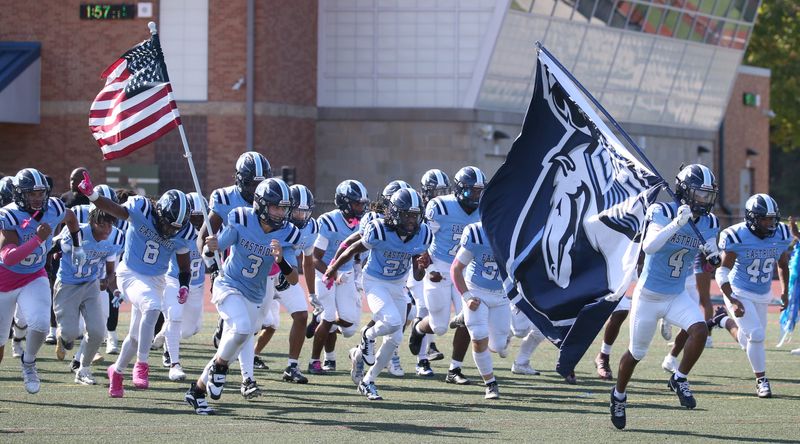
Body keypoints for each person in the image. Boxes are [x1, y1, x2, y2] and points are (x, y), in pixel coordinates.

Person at [610, 164, 720, 430]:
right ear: (683, 190)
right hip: (648, 296)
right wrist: (676, 224)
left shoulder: (710, 221)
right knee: (636, 354)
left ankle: (679, 378)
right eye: (698, 193)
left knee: (700, 330)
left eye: (707, 194)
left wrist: (712, 256)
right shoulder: (662, 210)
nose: (703, 200)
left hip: (676, 294)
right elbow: (649, 246)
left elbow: (711, 257)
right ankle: (619, 395)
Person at [184, 178, 300, 415]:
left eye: (283, 208)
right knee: (242, 329)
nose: (280, 213)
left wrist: (281, 261)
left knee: (233, 344)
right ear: (261, 205)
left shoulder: (288, 233)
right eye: (276, 207)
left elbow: (294, 279)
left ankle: (196, 391)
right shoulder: (241, 218)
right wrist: (212, 245)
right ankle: (220, 369)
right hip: (229, 284)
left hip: (255, 294)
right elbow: (215, 246)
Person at [78, 172, 196, 398]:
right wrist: (92, 195)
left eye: (175, 228)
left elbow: (184, 267)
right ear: (159, 212)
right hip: (130, 273)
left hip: (156, 280)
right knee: (152, 307)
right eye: (167, 224)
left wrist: (184, 285)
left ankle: (117, 370)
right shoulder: (142, 209)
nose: (170, 230)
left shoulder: (184, 231)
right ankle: (142, 365)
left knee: (135, 336)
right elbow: (115, 209)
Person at [328, 188, 431, 400]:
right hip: (375, 281)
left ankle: (368, 381)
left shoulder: (423, 233)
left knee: (396, 338)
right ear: (394, 213)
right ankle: (368, 335)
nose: (411, 220)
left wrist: (422, 266)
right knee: (393, 322)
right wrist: (333, 268)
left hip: (398, 284)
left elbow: (418, 276)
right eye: (407, 215)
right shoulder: (379, 229)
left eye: (414, 215)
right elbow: (352, 248)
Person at [0, 168, 82, 393]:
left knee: (41, 323)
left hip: (33, 275)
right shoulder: (8, 214)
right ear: (19, 194)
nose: (37, 198)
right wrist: (38, 239)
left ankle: (28, 363)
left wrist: (77, 245)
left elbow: (71, 217)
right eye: (31, 193)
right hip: (3, 282)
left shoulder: (54, 207)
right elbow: (8, 257)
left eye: (40, 193)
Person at [409, 166, 487, 385]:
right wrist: (423, 260)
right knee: (440, 325)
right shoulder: (440, 206)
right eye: (472, 190)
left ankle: (455, 369)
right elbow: (424, 235)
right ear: (460, 189)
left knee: (467, 319)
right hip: (440, 266)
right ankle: (418, 328)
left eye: (479, 191)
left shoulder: (484, 208)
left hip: (466, 268)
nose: (476, 195)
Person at [708, 194, 791, 398]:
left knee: (750, 341)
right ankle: (761, 381)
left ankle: (724, 322)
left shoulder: (780, 234)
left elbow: (782, 264)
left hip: (762, 292)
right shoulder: (738, 236)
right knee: (757, 335)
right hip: (739, 290)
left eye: (772, 218)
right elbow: (721, 271)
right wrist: (732, 299)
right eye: (765, 219)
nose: (770, 223)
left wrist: (785, 291)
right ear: (752, 219)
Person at [252, 184, 317, 384]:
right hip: (264, 277)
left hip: (288, 276)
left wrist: (312, 293)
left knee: (301, 315)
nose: (300, 216)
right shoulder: (275, 223)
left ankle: (292, 366)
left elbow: (308, 259)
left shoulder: (311, 227)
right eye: (297, 210)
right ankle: (227, 360)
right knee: (251, 325)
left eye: (305, 212)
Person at [53, 205, 123, 385]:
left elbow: (110, 271)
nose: (107, 230)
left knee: (98, 331)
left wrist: (108, 282)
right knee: (71, 333)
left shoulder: (113, 238)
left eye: (110, 225)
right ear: (93, 223)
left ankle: (83, 369)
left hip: (91, 285)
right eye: (102, 225)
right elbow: (55, 246)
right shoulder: (78, 233)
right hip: (68, 284)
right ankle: (63, 337)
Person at [307, 180, 369, 374]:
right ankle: (315, 361)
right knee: (328, 317)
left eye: (362, 203)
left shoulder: (364, 222)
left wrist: (358, 276)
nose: (361, 207)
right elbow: (315, 258)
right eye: (357, 203)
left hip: (347, 274)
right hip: (324, 274)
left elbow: (359, 255)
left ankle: (320, 319)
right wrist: (332, 273)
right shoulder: (328, 221)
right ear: (344, 203)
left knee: (349, 326)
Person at [451, 220, 509, 399]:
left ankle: (464, 317)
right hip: (477, 292)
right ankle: (490, 383)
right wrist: (467, 297)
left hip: (501, 295)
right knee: (478, 338)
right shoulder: (477, 233)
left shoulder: (518, 232)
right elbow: (456, 269)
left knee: (497, 346)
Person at [155, 192, 209, 381]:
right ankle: (174, 362)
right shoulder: (178, 233)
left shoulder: (210, 231)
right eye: (194, 217)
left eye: (202, 217)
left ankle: (165, 332)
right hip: (174, 279)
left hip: (197, 285)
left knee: (189, 330)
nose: (198, 222)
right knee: (175, 316)